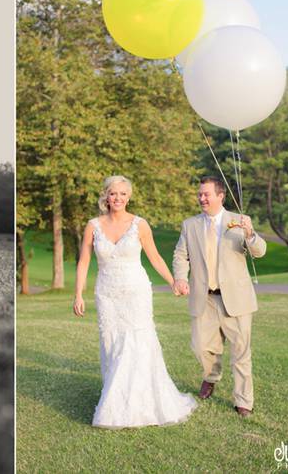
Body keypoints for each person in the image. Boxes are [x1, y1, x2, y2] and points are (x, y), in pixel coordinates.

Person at [73, 176, 197, 428]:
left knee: (138, 342)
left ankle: (142, 402)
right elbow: (84, 261)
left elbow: (155, 257)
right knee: (112, 343)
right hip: (107, 293)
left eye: (122, 194)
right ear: (105, 196)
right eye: (112, 193)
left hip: (136, 292)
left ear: (128, 197)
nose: (117, 198)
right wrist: (78, 294)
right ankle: (115, 401)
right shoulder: (93, 226)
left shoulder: (140, 224)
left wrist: (173, 280)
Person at [172, 176, 267, 417]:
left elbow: (259, 251)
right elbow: (180, 255)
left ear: (220, 196)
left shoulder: (239, 221)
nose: (201, 198)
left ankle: (244, 400)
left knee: (241, 353)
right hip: (204, 298)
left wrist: (251, 233)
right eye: (200, 194)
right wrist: (181, 278)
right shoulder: (190, 225)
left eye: (206, 194)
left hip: (236, 299)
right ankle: (211, 376)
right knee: (201, 346)